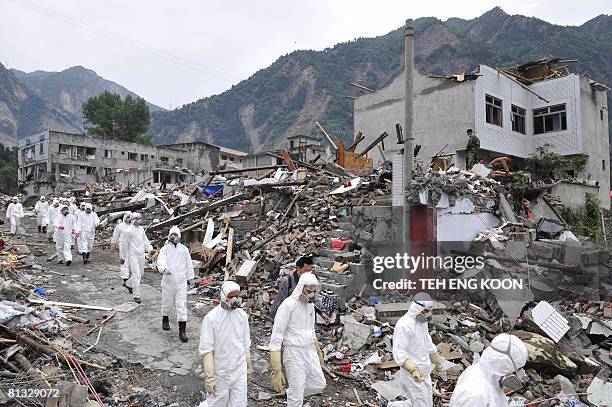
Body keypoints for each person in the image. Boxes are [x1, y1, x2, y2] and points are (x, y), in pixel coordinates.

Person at [269, 273, 326, 406]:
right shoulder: (288, 305)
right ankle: (294, 395)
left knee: (319, 384)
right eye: (309, 290)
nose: (311, 294)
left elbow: (311, 330)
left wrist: (317, 350)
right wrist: (277, 369)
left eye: (314, 290)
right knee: (297, 398)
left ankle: (292, 393)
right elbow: (277, 337)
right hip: (294, 353)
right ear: (301, 287)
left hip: (309, 351)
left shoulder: (310, 305)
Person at [199, 281, 252, 406]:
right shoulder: (211, 318)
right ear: (223, 296)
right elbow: (206, 349)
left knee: (239, 404)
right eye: (231, 296)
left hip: (239, 370)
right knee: (217, 403)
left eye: (237, 296)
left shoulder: (242, 316)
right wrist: (210, 377)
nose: (235, 300)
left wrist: (248, 365)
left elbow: (246, 343)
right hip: (220, 372)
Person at [449, 333, 528, 406]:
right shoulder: (476, 396)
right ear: (504, 365)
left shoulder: (481, 371)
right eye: (517, 369)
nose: (518, 374)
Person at [392, 296, 443, 407]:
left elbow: (427, 342)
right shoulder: (404, 325)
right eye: (425, 311)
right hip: (412, 374)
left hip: (425, 370)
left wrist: (437, 361)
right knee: (421, 403)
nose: (427, 314)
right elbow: (399, 351)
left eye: (428, 311)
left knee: (427, 402)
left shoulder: (421, 322)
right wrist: (412, 369)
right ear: (417, 308)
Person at [267, 256, 330, 328]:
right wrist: (272, 320)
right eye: (306, 271)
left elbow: (315, 299)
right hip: (291, 317)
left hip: (306, 316)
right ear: (298, 268)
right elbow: (280, 300)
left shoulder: (312, 280)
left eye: (310, 271)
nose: (308, 273)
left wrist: (322, 313)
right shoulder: (288, 281)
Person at [156, 226, 195, 342]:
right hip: (168, 282)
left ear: (180, 236)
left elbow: (188, 264)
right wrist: (164, 269)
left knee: (181, 307)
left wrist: (191, 278)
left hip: (181, 283)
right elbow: (160, 261)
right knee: (167, 304)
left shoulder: (184, 250)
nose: (173, 237)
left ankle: (182, 332)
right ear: (168, 236)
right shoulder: (165, 249)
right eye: (171, 234)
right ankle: (165, 318)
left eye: (176, 235)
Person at [120, 212, 152, 304]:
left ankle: (129, 284)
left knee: (140, 273)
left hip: (141, 254)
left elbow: (145, 241)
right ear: (133, 219)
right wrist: (122, 257)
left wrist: (150, 249)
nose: (139, 220)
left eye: (140, 218)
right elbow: (124, 245)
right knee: (136, 274)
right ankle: (136, 296)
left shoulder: (141, 229)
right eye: (137, 219)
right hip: (133, 254)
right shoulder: (128, 231)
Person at [111, 212, 132, 287]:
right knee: (124, 262)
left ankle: (131, 278)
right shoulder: (120, 226)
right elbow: (115, 235)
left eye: (130, 217)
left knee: (132, 263)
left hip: (132, 247)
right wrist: (113, 244)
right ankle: (125, 279)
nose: (129, 219)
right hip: (123, 247)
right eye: (127, 217)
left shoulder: (133, 226)